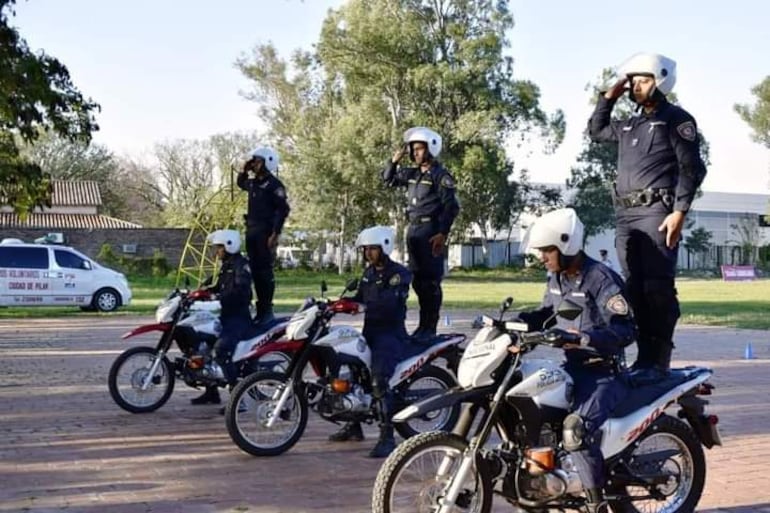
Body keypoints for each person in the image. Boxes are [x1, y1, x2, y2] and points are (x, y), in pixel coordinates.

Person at [588, 53, 707, 377]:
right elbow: (596, 131)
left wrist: (679, 211)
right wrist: (608, 98)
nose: (636, 87)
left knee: (657, 288)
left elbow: (692, 169)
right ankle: (644, 359)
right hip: (626, 215)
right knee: (634, 288)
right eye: (633, 81)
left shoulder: (676, 120)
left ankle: (659, 360)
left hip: (657, 212)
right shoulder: (629, 124)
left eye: (643, 80)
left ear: (661, 80)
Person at [517, 208, 635, 513]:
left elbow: (625, 329)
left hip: (604, 374)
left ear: (566, 245)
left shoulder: (601, 278)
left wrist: (585, 339)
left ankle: (596, 505)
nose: (542, 256)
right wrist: (514, 325)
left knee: (575, 430)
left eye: (547, 250)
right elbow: (546, 315)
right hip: (571, 370)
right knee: (537, 419)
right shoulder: (556, 277)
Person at [328, 225, 412, 458]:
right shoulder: (369, 273)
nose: (368, 254)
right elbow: (359, 297)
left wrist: (361, 306)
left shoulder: (400, 274)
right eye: (365, 250)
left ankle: (387, 437)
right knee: (350, 371)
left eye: (372, 249)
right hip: (370, 332)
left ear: (384, 246)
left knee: (377, 380)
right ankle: (354, 426)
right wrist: (335, 304)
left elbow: (390, 303)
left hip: (390, 334)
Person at [382, 127, 459, 341]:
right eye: (413, 149)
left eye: (419, 149)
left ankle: (430, 328)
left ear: (431, 148)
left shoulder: (440, 176)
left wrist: (443, 233)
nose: (415, 153)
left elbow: (451, 207)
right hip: (413, 231)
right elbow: (387, 180)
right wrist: (394, 161)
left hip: (431, 231)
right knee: (417, 281)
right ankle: (422, 326)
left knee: (430, 282)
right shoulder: (412, 174)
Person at [190, 229, 253, 406]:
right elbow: (218, 286)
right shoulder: (227, 264)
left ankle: (238, 401)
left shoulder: (242, 265)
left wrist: (218, 299)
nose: (217, 252)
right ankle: (211, 393)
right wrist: (201, 294)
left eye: (219, 248)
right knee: (201, 344)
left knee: (221, 351)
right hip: (225, 316)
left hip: (238, 318)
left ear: (229, 246)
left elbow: (242, 292)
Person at [237, 146, 291, 326]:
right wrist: (244, 169)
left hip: (265, 232)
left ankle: (266, 310)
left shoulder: (274, 185)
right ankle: (258, 311)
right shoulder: (253, 183)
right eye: (254, 161)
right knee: (253, 271)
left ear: (268, 162)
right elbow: (240, 183)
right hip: (251, 230)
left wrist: (275, 233)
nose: (254, 164)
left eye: (257, 161)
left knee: (264, 272)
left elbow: (283, 210)